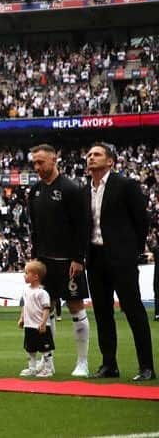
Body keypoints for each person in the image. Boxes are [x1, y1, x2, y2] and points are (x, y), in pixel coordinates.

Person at [84, 143, 154, 381]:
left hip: (121, 258)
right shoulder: (85, 190)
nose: (91, 158)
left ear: (110, 161)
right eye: (89, 155)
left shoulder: (125, 185)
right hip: (95, 258)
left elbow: (142, 221)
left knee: (133, 311)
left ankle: (146, 366)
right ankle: (109, 364)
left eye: (97, 154)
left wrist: (131, 251)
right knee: (102, 314)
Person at [26, 144, 91, 376]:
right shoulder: (34, 192)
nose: (37, 166)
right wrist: (35, 258)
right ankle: (48, 362)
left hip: (68, 261)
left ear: (54, 160)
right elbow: (33, 228)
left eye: (41, 162)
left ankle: (82, 362)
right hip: (44, 262)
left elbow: (82, 226)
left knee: (76, 307)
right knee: (45, 309)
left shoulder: (71, 189)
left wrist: (78, 257)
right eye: (34, 162)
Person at [19, 259, 56, 378]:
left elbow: (46, 309)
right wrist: (22, 318)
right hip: (29, 325)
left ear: (35, 276)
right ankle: (32, 368)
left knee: (45, 348)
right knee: (30, 349)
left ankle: (48, 368)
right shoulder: (26, 290)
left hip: (39, 325)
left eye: (26, 273)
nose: (24, 275)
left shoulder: (42, 293)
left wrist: (44, 323)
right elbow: (25, 306)